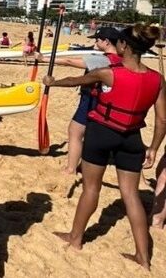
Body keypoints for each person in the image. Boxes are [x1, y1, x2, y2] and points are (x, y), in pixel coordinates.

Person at [43, 23, 166, 271]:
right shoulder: (157, 79)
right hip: (132, 138)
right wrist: (153, 148)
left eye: (119, 42)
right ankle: (143, 257)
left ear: (124, 46)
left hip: (101, 134)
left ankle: (75, 238)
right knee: (131, 195)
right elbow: (162, 119)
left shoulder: (110, 72)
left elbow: (75, 80)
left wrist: (52, 82)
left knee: (91, 189)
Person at [34, 27, 121, 174]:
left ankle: (71, 168)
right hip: (110, 101)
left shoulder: (101, 59)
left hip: (92, 99)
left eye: (97, 39)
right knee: (91, 134)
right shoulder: (123, 58)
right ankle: (83, 164)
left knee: (75, 132)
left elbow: (69, 61)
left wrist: (43, 59)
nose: (95, 42)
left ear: (106, 42)